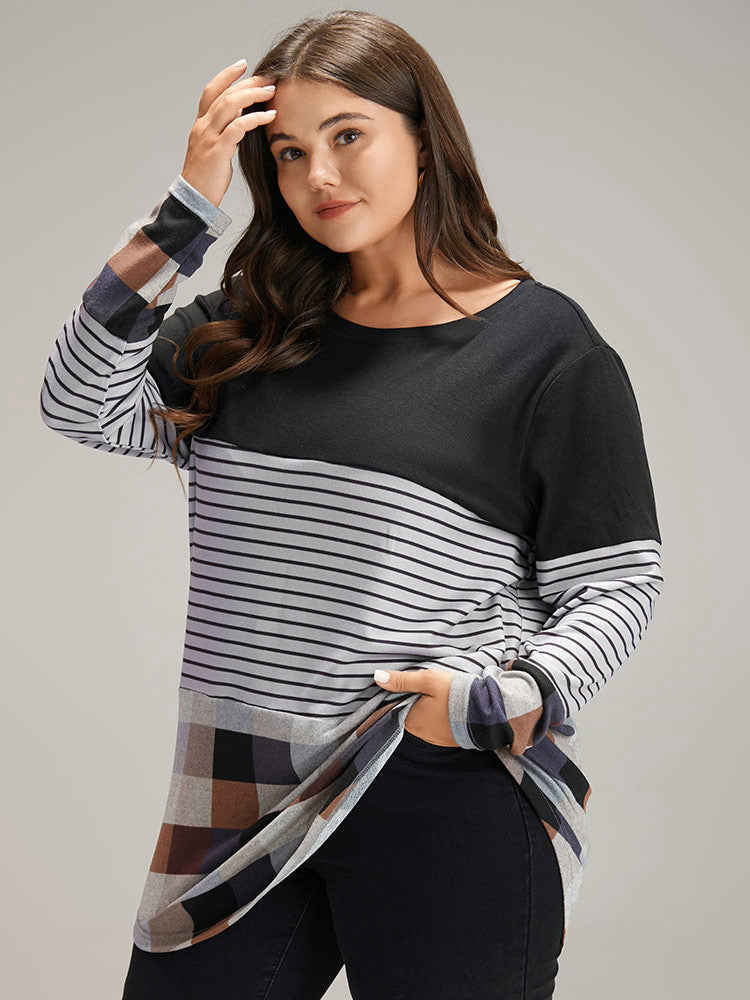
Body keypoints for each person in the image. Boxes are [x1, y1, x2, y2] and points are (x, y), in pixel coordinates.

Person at [39, 10, 664, 1000]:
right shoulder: (245, 331)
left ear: (424, 140)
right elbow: (77, 402)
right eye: (289, 152)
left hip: (436, 781)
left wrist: (489, 704)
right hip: (237, 785)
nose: (319, 176)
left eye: (348, 135)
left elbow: (619, 582)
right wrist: (186, 210)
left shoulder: (545, 349)